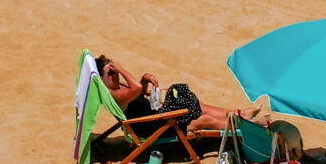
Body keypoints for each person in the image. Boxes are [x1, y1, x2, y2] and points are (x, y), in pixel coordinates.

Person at [96, 54, 259, 138]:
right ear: (101, 79)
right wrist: (122, 69)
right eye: (110, 73)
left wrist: (144, 79)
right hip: (154, 127)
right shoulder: (115, 95)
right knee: (204, 120)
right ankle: (249, 129)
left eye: (114, 71)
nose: (114, 74)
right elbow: (137, 89)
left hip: (156, 116)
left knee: (200, 106)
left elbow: (140, 91)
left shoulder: (120, 87)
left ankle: (240, 114)